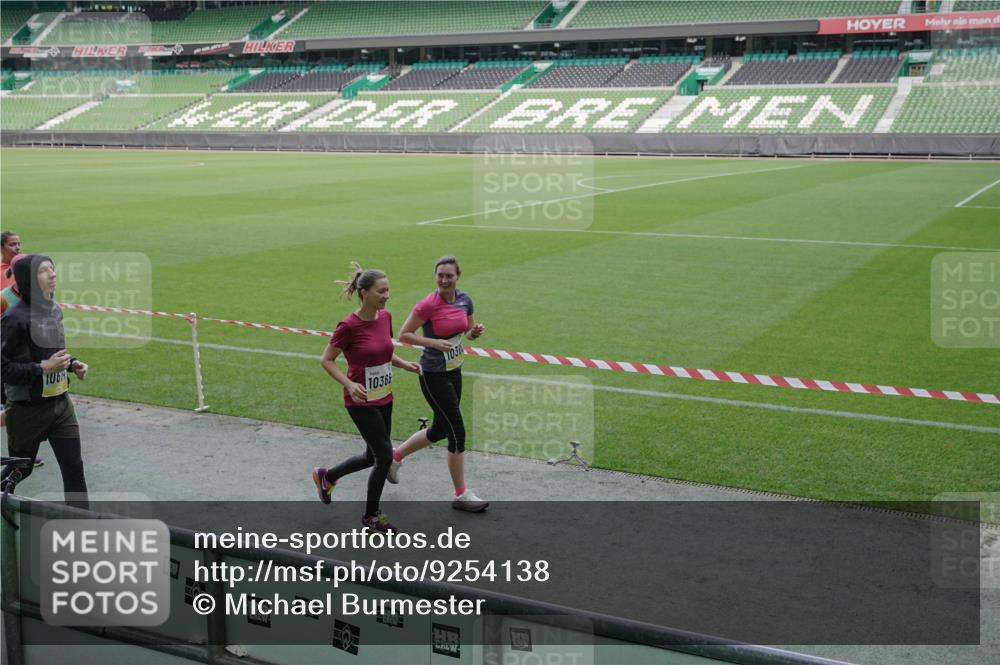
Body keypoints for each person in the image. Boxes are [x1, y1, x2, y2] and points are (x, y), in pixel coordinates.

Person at [313, 262, 419, 533]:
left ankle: (328, 476)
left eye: (388, 290)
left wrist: (404, 364)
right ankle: (371, 516)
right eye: (381, 291)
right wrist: (349, 384)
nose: (387, 295)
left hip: (384, 397)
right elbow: (326, 360)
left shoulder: (385, 317)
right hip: (360, 402)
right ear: (365, 293)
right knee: (384, 456)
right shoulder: (348, 326)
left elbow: (383, 352)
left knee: (372, 456)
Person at [388, 256, 488, 513]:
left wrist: (473, 333)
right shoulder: (427, 305)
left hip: (455, 370)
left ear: (458, 277)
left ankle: (395, 457)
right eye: (440, 275)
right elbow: (403, 334)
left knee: (441, 429)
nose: (444, 280)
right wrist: (433, 343)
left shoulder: (465, 300)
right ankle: (461, 494)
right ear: (435, 276)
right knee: (457, 431)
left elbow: (465, 331)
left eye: (449, 276)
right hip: (433, 374)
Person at [0, 254, 88, 508]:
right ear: (28, 279)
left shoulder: (54, 310)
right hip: (28, 411)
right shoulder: (14, 319)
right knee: (21, 470)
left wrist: (72, 364)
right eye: (44, 271)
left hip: (61, 406)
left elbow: (54, 354)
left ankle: (82, 529)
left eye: (53, 269)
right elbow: (3, 368)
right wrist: (42, 368)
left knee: (74, 468)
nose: (52, 274)